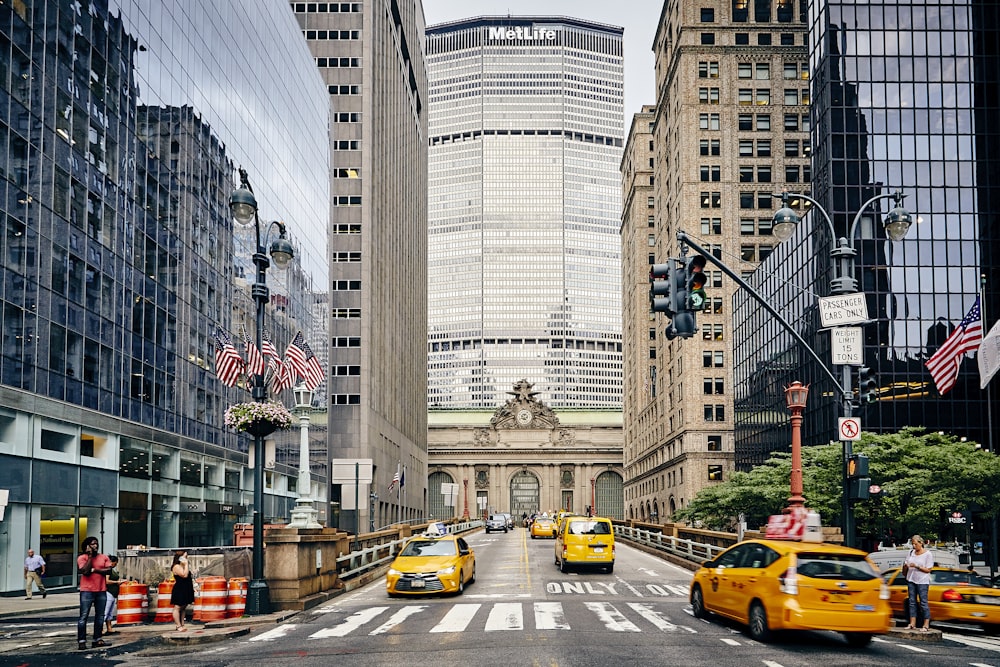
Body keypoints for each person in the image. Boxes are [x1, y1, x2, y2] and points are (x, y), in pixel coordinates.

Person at [77, 536, 113, 650]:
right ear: (87, 546)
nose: (95, 546)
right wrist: (90, 557)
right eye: (92, 544)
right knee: (84, 616)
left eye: (96, 543)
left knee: (100, 616)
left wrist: (95, 570)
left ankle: (97, 639)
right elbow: (85, 571)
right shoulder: (82, 558)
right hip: (87, 591)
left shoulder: (104, 557)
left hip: (101, 590)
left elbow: (109, 570)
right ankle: (82, 641)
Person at [904, 534, 934, 632]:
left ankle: (926, 624)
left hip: (922, 580)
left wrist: (916, 566)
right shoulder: (911, 552)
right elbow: (906, 564)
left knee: (923, 602)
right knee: (912, 602)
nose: (914, 546)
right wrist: (906, 567)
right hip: (911, 579)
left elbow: (928, 569)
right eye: (913, 544)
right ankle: (912, 623)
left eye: (916, 544)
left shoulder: (927, 554)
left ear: (921, 543)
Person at [170, 550, 195, 632]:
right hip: (180, 589)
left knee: (183, 607)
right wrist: (186, 564)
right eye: (185, 557)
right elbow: (184, 575)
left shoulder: (183, 566)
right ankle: (178, 625)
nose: (186, 559)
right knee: (177, 607)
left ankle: (182, 623)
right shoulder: (176, 567)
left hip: (186, 588)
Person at [104, 555, 121, 635]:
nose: (116, 564)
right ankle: (100, 629)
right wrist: (116, 582)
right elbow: (106, 581)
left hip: (113, 593)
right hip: (108, 592)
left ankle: (109, 628)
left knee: (110, 612)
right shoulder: (108, 570)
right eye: (115, 563)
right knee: (106, 612)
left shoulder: (112, 570)